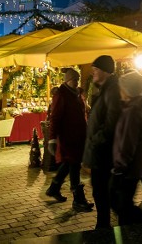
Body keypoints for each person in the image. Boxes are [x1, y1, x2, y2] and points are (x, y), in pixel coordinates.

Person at [45, 68, 94, 211]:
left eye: (78, 79)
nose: (77, 81)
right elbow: (55, 118)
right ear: (67, 80)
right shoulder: (61, 95)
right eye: (74, 79)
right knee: (74, 165)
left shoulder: (77, 94)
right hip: (67, 137)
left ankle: (54, 188)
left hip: (78, 136)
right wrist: (52, 139)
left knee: (69, 163)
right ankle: (78, 200)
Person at [82, 55, 122, 230]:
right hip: (102, 151)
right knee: (101, 193)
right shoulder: (106, 89)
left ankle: (104, 229)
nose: (93, 72)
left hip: (105, 153)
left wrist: (96, 140)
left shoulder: (113, 90)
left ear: (106, 71)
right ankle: (103, 226)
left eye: (96, 69)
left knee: (103, 193)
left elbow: (112, 122)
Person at [110, 69, 142, 226]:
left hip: (129, 167)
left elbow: (128, 141)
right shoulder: (140, 107)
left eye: (122, 87)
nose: (120, 91)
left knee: (121, 204)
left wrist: (120, 165)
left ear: (128, 89)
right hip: (136, 166)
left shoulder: (133, 111)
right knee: (123, 204)